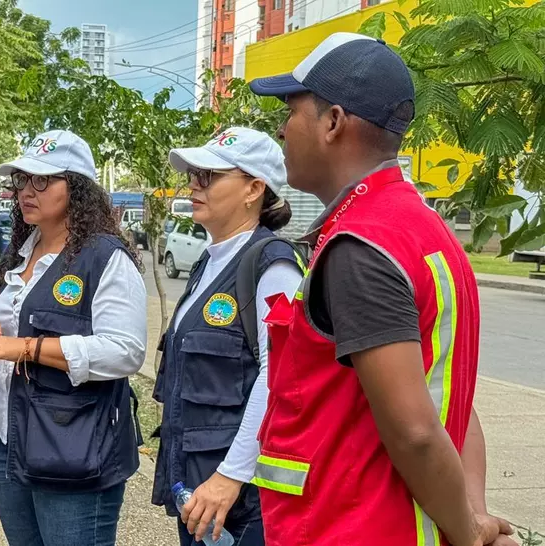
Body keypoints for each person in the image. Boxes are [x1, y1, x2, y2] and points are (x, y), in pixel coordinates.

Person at [247, 33, 515, 545]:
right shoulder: (423, 229)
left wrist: (465, 534)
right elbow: (451, 397)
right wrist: (473, 513)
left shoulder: (360, 246)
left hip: (350, 530)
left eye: (290, 110)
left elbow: (416, 432)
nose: (281, 130)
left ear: (332, 122)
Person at [0, 130, 148, 546]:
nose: (27, 190)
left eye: (42, 181)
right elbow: (7, 338)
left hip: (74, 449)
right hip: (10, 439)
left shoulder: (105, 258)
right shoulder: (18, 255)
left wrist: (26, 348)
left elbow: (126, 352)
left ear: (77, 188)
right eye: (22, 181)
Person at [153, 128, 304, 546]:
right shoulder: (210, 262)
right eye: (194, 175)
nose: (194, 185)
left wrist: (230, 475)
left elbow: (280, 377)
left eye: (209, 176)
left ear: (254, 188)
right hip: (200, 488)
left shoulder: (272, 267)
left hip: (239, 499)